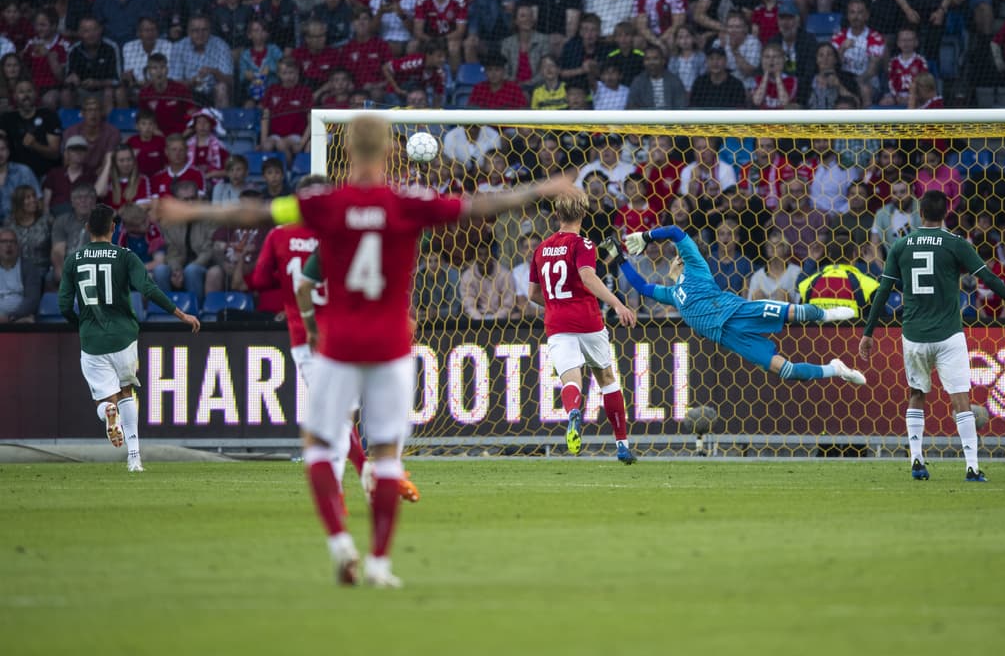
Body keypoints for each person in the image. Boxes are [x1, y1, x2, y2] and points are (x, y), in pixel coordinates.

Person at [154, 114, 575, 587]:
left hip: (339, 344)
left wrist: (193, 213)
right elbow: (480, 206)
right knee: (389, 456)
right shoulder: (410, 202)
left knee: (319, 447)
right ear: (393, 151)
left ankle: (339, 542)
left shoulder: (323, 203)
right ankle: (379, 561)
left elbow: (254, 213)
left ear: (347, 150)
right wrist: (543, 186)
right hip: (392, 344)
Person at [251, 174, 418, 507]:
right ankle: (375, 472)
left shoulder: (279, 235)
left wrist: (292, 302)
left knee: (336, 418)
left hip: (307, 337)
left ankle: (345, 488)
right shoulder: (341, 232)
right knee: (354, 413)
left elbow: (258, 279)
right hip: (352, 330)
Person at [859, 189, 1005, 482]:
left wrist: (869, 332)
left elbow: (883, 290)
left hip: (914, 335)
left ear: (921, 212)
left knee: (916, 394)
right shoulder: (955, 244)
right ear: (946, 214)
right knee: (961, 400)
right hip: (948, 336)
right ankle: (971, 467)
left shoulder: (901, 245)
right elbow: (990, 278)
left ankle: (917, 461)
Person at [608, 225, 867, 383]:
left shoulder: (697, 267)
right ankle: (836, 369)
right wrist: (619, 259)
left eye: (677, 257)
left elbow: (675, 232)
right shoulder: (671, 294)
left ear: (681, 261)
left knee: (792, 313)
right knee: (785, 370)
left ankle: (829, 314)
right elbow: (641, 286)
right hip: (729, 337)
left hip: (737, 311)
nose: (674, 260)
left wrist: (647, 236)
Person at [58, 202, 201, 471]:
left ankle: (107, 416)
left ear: (87, 227)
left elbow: (64, 305)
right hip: (124, 337)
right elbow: (147, 288)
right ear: (114, 227)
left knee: (104, 400)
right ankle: (134, 457)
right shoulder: (125, 256)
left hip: (92, 339)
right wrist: (181, 314)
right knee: (126, 393)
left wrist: (80, 324)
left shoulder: (73, 260)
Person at [530, 190, 639, 462]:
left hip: (557, 323)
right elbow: (588, 278)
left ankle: (573, 413)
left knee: (571, 379)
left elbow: (532, 294)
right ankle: (622, 445)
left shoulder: (541, 248)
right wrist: (617, 304)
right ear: (582, 214)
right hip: (588, 321)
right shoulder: (583, 245)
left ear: (557, 215)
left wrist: (556, 304)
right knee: (607, 380)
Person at [0, 225, 40, 323]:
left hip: (18, 318)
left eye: (12, 242)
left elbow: (32, 299)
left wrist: (10, 317)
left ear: (18, 246)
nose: (8, 245)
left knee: (28, 321)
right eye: (4, 242)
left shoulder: (29, 268)